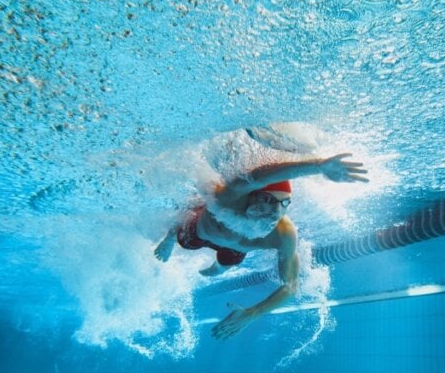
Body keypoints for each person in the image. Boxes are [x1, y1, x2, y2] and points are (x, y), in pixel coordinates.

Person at [154, 135, 368, 339]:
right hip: (201, 231)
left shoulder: (283, 234)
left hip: (234, 249)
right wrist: (317, 166)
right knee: (185, 236)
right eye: (269, 200)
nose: (276, 212)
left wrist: (253, 313)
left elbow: (290, 286)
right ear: (252, 197)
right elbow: (255, 178)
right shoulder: (229, 200)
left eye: (284, 204)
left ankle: (218, 267)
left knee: (228, 262)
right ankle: (169, 239)